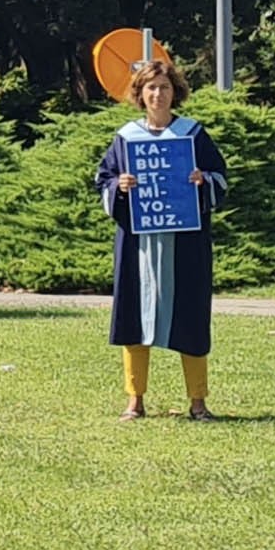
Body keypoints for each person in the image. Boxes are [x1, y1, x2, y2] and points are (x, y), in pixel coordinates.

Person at [96, 55, 227, 421]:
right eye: (151, 88)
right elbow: (103, 180)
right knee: (134, 319)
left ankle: (198, 402)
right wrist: (118, 187)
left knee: (191, 318)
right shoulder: (126, 138)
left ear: (176, 92)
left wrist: (204, 181)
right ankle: (135, 400)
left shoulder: (192, 134)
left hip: (185, 244)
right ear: (141, 93)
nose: (158, 94)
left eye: (165, 87)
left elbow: (221, 178)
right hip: (139, 244)